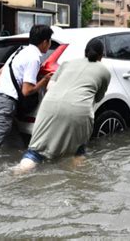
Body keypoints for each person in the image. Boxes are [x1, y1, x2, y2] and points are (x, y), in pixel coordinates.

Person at [14, 38, 111, 172]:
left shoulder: (66, 63)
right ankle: (76, 183)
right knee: (78, 151)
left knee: (36, 151)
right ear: (101, 55)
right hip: (79, 109)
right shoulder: (104, 71)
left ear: (85, 52)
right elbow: (98, 97)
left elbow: (49, 87)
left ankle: (18, 172)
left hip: (49, 106)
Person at [0, 25, 54, 158]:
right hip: (4, 107)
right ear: (45, 41)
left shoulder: (19, 51)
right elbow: (27, 91)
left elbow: (0, 72)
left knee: (16, 147)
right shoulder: (34, 58)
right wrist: (44, 80)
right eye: (50, 41)